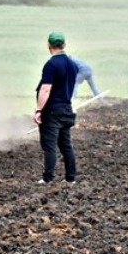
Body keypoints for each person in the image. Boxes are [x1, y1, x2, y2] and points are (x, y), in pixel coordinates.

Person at [35, 32, 79, 184]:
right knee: (66, 145)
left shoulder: (51, 64)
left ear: (49, 46)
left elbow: (45, 89)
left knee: (50, 146)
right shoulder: (73, 65)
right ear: (64, 45)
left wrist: (39, 110)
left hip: (52, 111)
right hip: (67, 109)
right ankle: (70, 178)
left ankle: (48, 178)